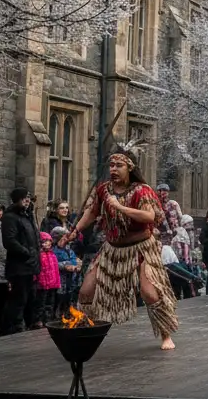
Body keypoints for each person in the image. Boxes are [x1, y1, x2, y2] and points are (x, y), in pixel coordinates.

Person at [62, 141, 179, 350]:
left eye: (119, 166)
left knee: (149, 292)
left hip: (141, 248)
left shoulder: (142, 190)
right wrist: (74, 232)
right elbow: (90, 213)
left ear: (130, 168)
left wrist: (120, 207)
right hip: (111, 249)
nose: (113, 169)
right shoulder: (103, 190)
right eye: (111, 166)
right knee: (86, 290)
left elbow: (150, 216)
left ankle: (165, 334)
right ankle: (86, 331)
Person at [0, 188, 41, 334]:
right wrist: (27, 253)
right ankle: (9, 331)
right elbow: (9, 241)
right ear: (17, 199)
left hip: (30, 266)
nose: (27, 200)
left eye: (28, 197)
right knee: (17, 301)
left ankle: (25, 327)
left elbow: (34, 239)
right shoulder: (10, 217)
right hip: (19, 267)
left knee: (29, 300)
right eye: (24, 198)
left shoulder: (27, 216)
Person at [34, 231, 62, 325]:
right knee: (41, 303)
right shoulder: (38, 256)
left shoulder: (53, 255)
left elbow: (56, 271)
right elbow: (36, 270)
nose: (48, 244)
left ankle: (48, 319)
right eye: (45, 242)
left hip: (52, 284)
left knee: (50, 303)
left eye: (49, 242)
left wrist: (57, 283)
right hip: (42, 284)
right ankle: (39, 320)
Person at [53, 226, 81, 316]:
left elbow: (73, 259)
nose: (66, 238)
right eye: (64, 236)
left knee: (69, 297)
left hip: (70, 279)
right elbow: (53, 264)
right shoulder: (53, 251)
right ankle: (56, 315)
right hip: (60, 280)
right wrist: (65, 265)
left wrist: (76, 265)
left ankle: (67, 312)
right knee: (59, 299)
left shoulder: (68, 249)